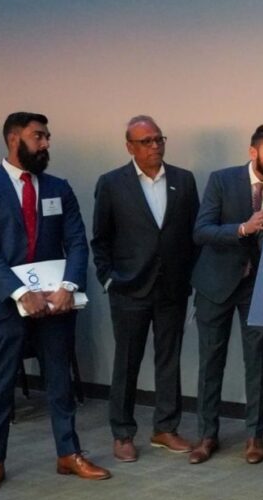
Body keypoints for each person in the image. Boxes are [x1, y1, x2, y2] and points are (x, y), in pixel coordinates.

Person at [0, 112, 111, 492]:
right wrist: (20, 292)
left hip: (57, 304)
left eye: (47, 137)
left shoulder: (59, 188)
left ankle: (68, 453)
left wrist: (68, 286)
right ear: (14, 139)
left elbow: (77, 242)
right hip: (6, 304)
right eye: (38, 136)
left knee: (60, 380)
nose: (46, 144)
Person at [91, 115, 200, 462]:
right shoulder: (111, 183)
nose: (155, 146)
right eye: (146, 141)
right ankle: (123, 432)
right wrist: (109, 278)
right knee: (127, 361)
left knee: (169, 360)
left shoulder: (183, 180)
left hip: (171, 288)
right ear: (130, 147)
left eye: (158, 139)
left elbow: (192, 235)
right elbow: (101, 239)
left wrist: (190, 276)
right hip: (129, 288)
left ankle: (165, 428)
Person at [189, 124, 263, 465]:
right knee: (210, 361)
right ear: (253, 152)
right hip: (215, 284)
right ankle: (206, 435)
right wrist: (243, 228)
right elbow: (201, 231)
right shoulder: (222, 180)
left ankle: (255, 436)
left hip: (257, 287)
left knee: (257, 361)